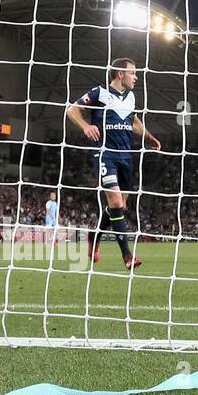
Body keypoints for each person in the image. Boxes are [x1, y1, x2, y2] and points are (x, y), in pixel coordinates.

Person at [66, 58, 159, 270]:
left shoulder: (131, 96)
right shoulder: (99, 93)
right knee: (116, 203)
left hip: (126, 157)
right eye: (133, 73)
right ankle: (127, 255)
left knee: (120, 206)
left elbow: (133, 121)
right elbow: (72, 110)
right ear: (120, 74)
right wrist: (85, 126)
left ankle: (94, 237)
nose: (136, 77)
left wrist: (149, 137)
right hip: (105, 155)